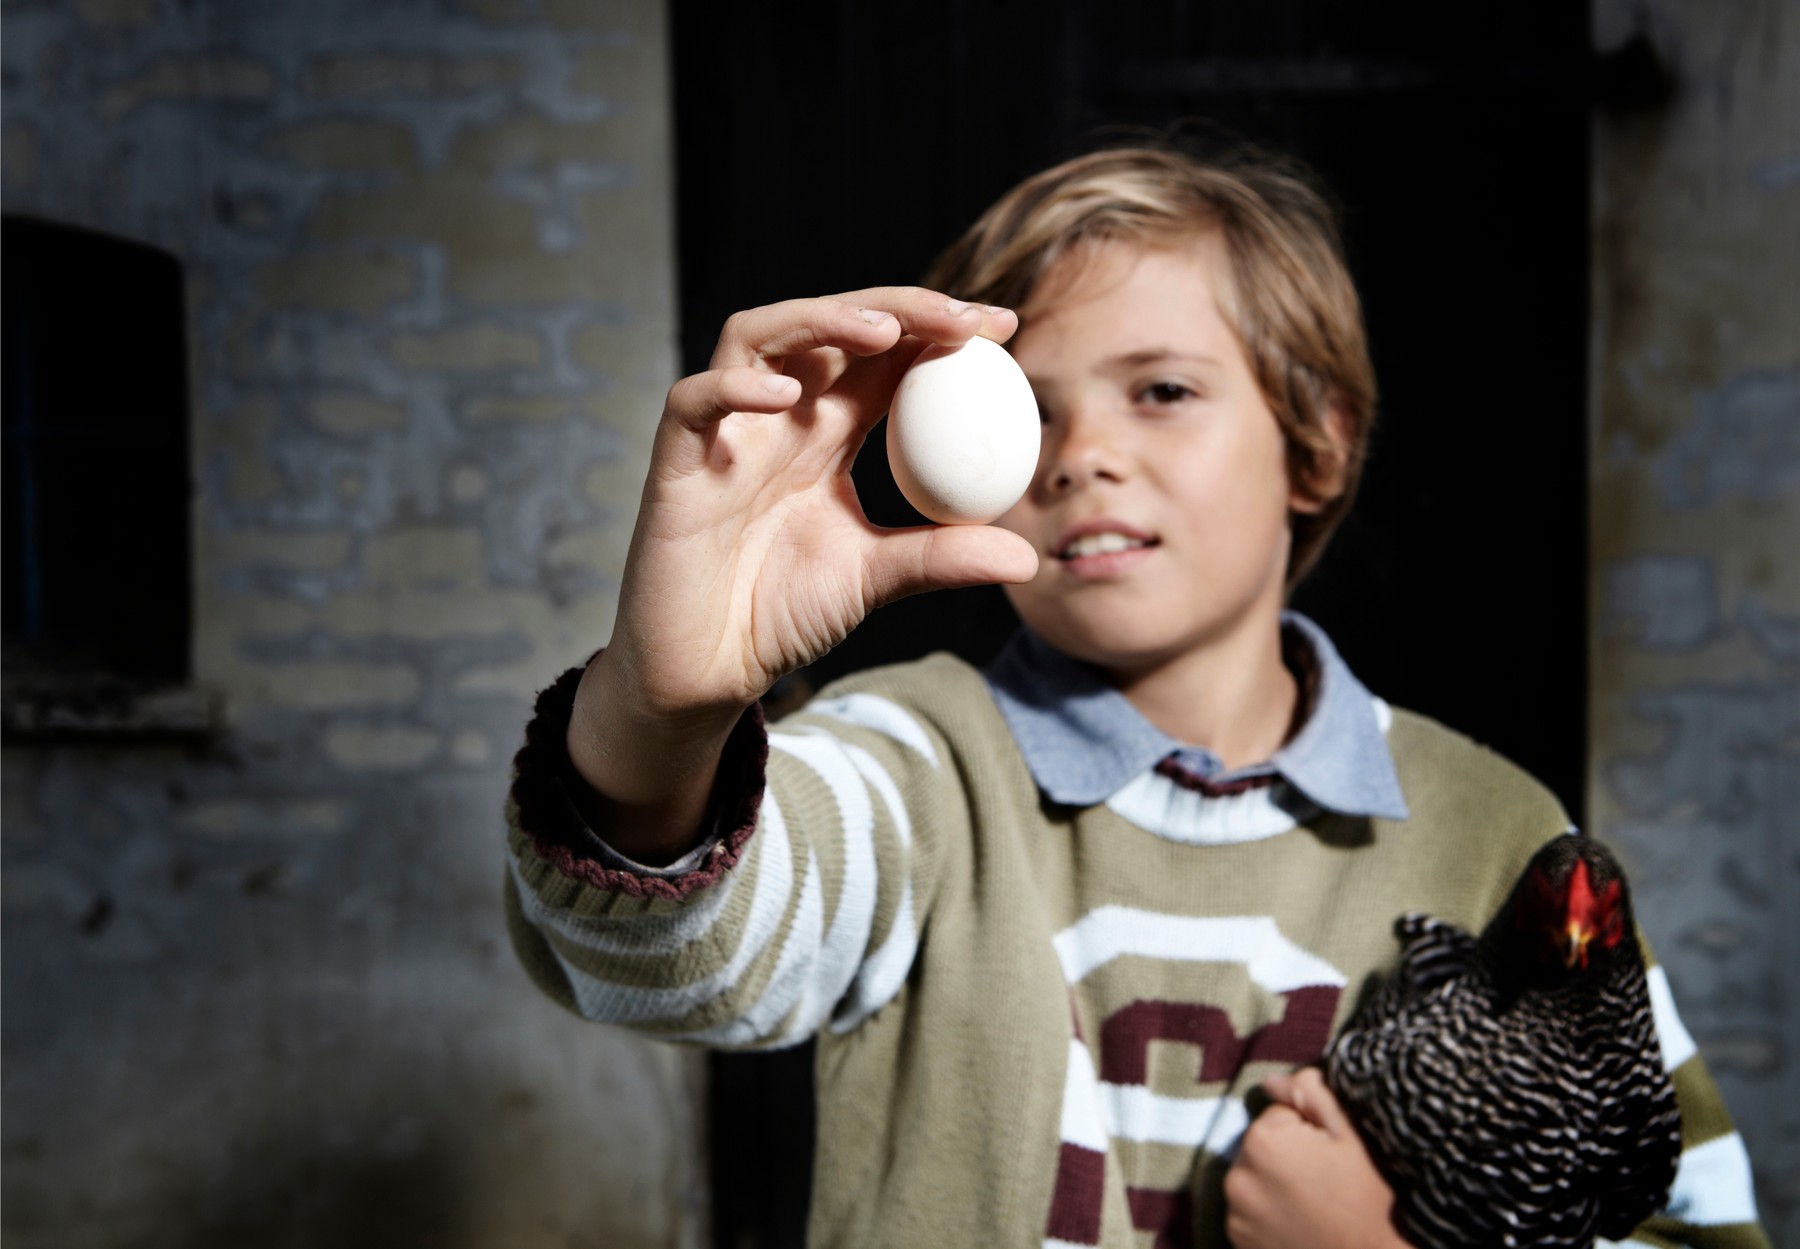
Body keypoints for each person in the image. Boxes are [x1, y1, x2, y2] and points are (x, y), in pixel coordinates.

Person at [503, 143, 1768, 1248]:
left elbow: (1686, 1218)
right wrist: (666, 709)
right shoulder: (922, 770)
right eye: (1027, 415)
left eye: (1161, 390)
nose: (1083, 455)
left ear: (1315, 440)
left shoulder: (1493, 833)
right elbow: (668, 954)